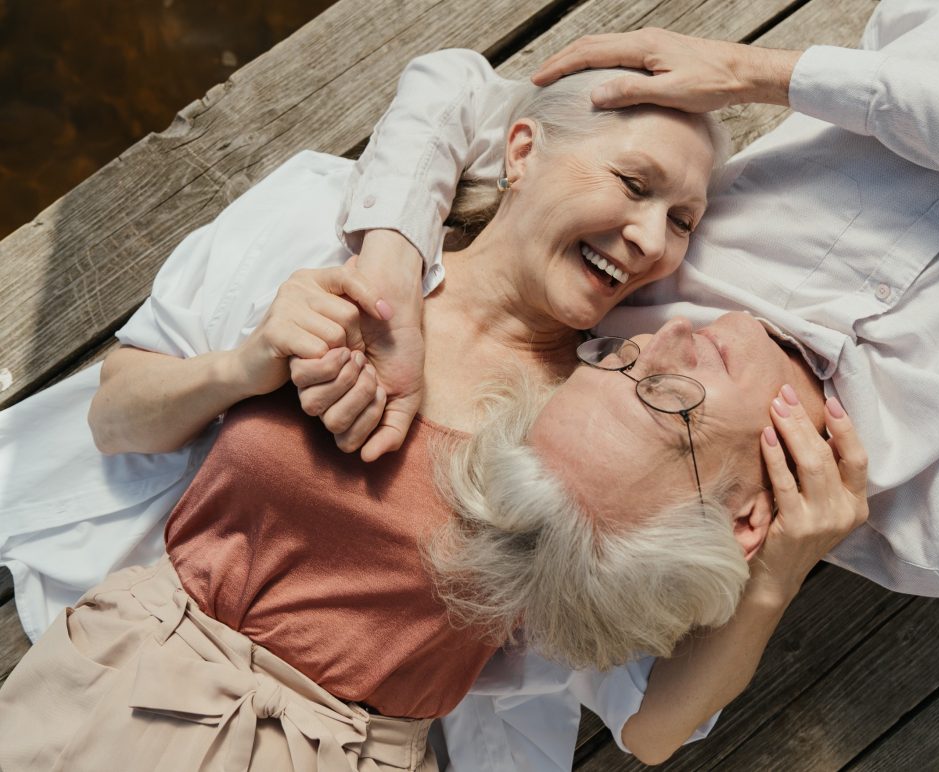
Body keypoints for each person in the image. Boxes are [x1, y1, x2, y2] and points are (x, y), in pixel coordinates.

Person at [3, 64, 859, 771]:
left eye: (682, 221)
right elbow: (116, 422)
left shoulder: (601, 432)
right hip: (119, 679)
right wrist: (244, 366)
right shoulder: (327, 239)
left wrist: (780, 573)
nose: (649, 239)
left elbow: (656, 728)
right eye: (634, 186)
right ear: (521, 152)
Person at [288, 0, 939, 767]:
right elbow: (649, 729)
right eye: (668, 401)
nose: (667, 337)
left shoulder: (621, 277)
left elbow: (454, 90)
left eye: (617, 361)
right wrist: (767, 73)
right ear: (743, 522)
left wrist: (390, 273)